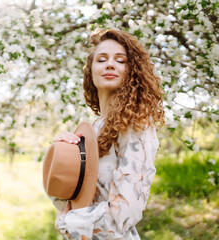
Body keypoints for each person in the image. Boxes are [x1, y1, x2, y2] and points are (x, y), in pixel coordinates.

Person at [50, 29, 165, 240]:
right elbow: (70, 201)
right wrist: (61, 159)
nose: (110, 64)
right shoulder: (93, 129)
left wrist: (67, 223)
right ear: (90, 71)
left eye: (120, 60)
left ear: (132, 71)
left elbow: (123, 213)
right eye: (101, 59)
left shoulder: (134, 124)